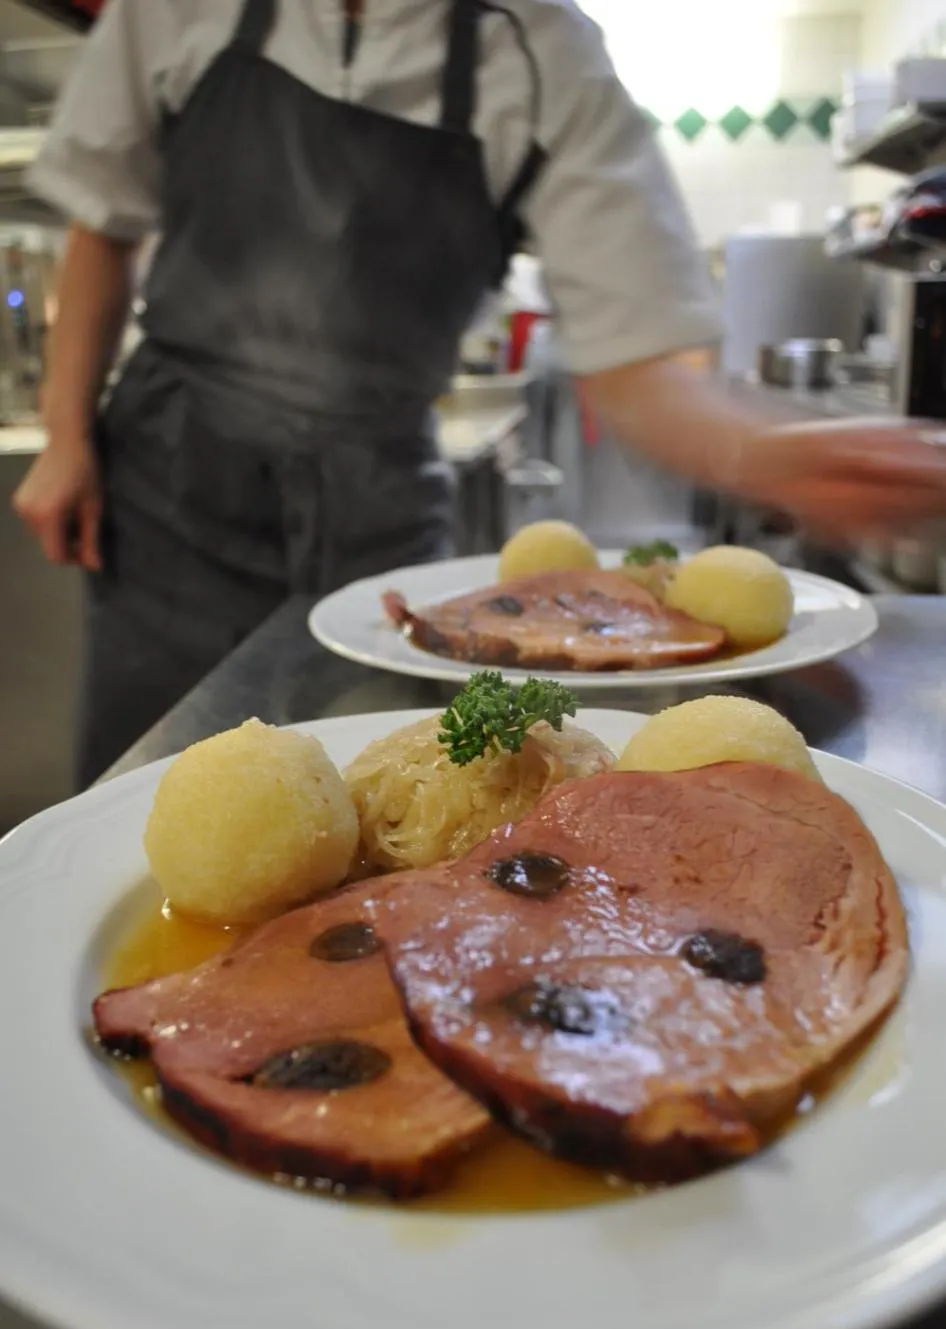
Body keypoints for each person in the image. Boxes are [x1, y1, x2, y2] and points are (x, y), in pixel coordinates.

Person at [13, 0, 946, 788]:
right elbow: (101, 221)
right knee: (143, 796)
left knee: (400, 796)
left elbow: (639, 355)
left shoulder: (542, 48)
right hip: (171, 487)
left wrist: (761, 452)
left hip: (375, 514)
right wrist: (64, 436)